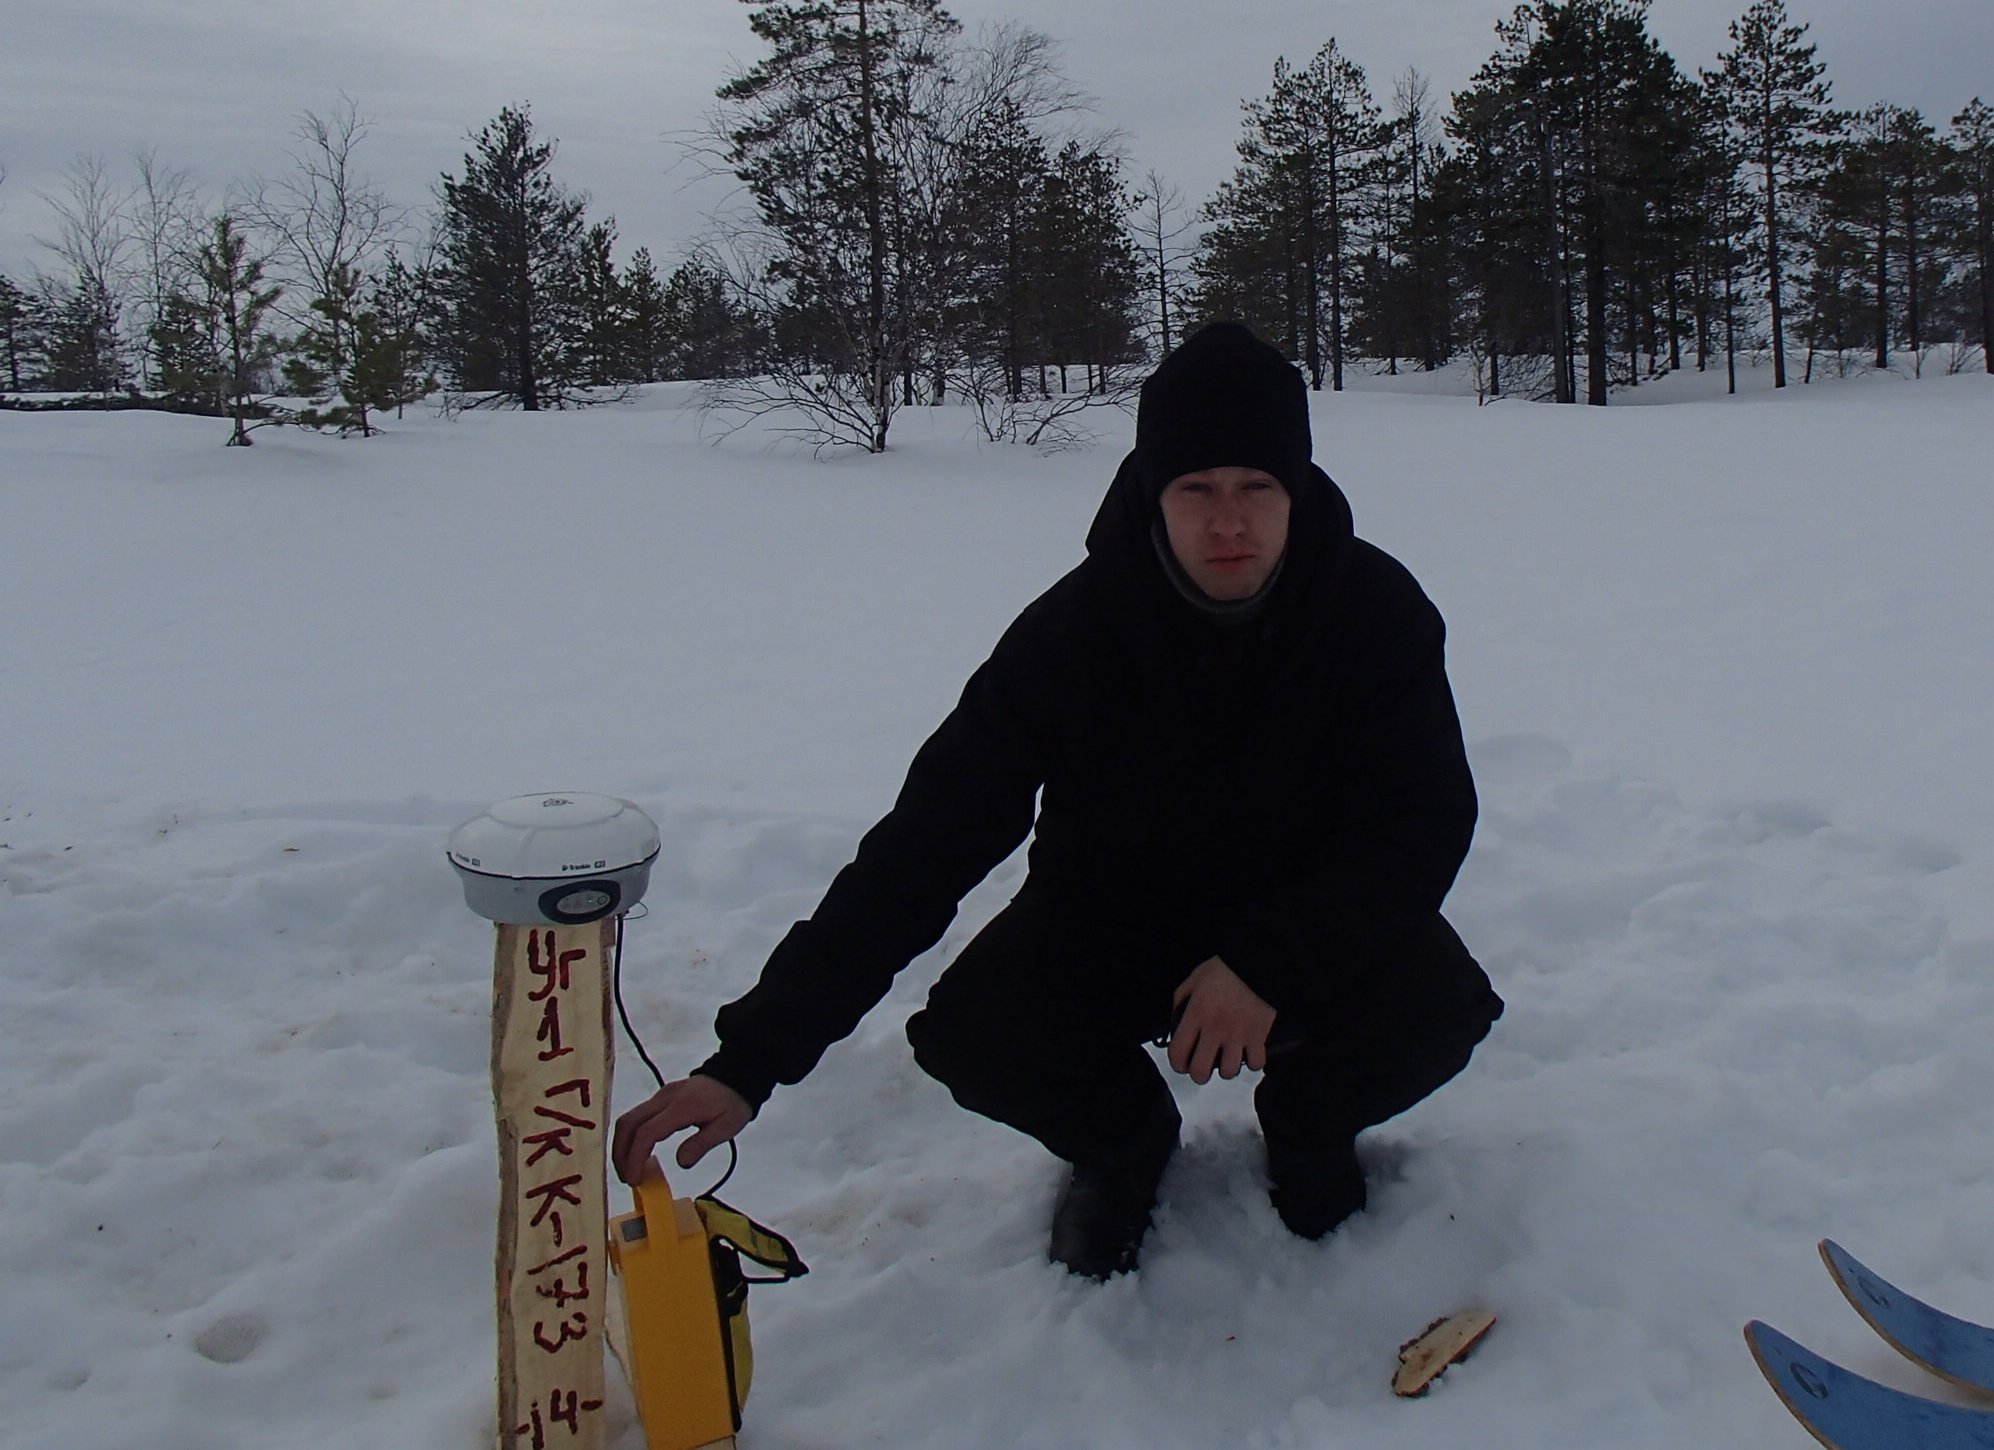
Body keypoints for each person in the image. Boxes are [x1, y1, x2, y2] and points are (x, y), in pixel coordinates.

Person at [613, 322, 1502, 1279]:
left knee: (1436, 1011)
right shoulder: (1072, 633)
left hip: (1305, 918)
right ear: (1153, 496)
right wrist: (750, 1061)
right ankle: (1123, 1147)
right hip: (1116, 921)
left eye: (1257, 487)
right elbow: (927, 844)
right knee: (976, 1032)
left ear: (1297, 491)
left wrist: (1271, 963)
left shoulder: (1375, 614)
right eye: (1196, 489)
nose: (1229, 521)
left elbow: (1421, 822)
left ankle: (1309, 1123)